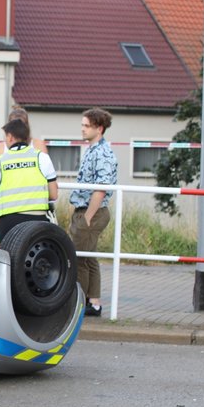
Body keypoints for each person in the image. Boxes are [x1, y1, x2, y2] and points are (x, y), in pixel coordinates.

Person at [70, 107, 117, 317]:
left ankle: (79, 302)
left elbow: (101, 187)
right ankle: (93, 303)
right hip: (87, 210)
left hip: (92, 211)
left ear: (99, 128)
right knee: (88, 258)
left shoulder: (102, 153)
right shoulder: (93, 149)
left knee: (79, 258)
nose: (82, 129)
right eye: (82, 125)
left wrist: (88, 216)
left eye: (86, 126)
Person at [0, 118, 58, 246]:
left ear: (10, 137)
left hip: (9, 222)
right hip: (37, 220)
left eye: (5, 137)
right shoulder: (42, 158)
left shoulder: (0, 162)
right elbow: (53, 195)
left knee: (8, 261)